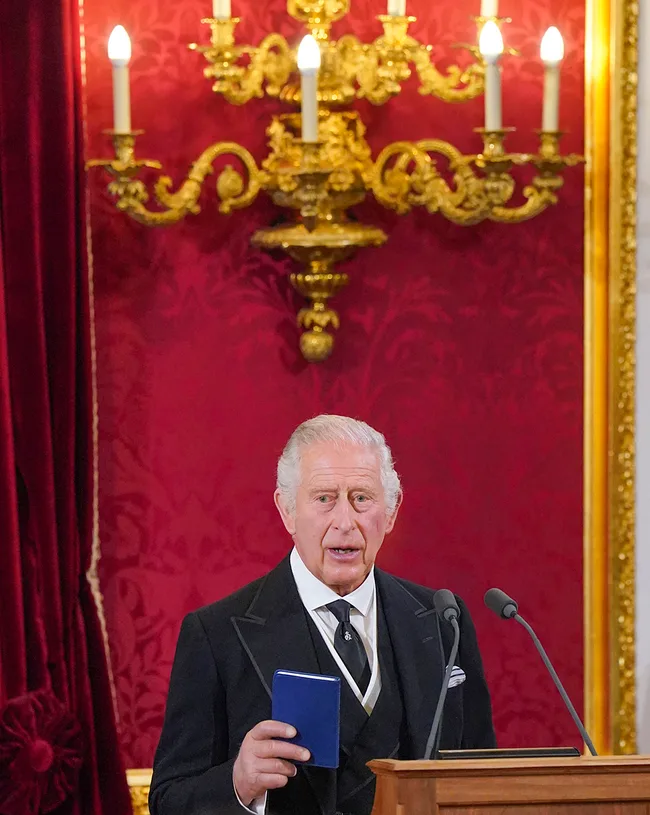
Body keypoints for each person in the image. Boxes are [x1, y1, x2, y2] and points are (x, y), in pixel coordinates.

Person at [149, 415, 495, 815]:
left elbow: (481, 781)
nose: (345, 522)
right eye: (324, 498)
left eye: (362, 498)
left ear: (392, 511)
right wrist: (238, 783)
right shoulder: (216, 636)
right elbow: (168, 802)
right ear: (287, 510)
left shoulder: (442, 622)